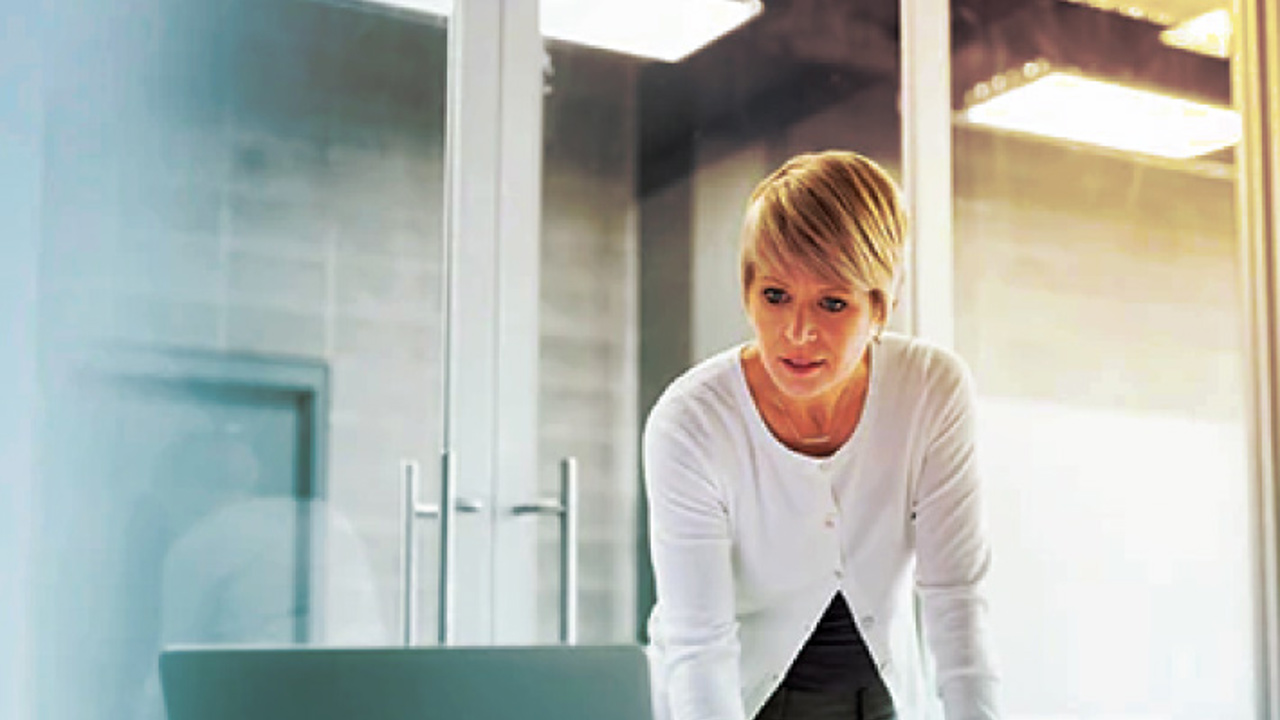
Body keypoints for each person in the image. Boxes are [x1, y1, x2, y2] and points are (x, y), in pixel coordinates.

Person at [643, 150, 998, 720]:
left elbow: (955, 596)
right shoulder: (691, 421)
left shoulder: (931, 389)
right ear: (747, 291)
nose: (798, 332)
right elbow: (699, 643)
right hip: (736, 699)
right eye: (775, 296)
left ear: (880, 307)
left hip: (877, 699)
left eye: (833, 303)